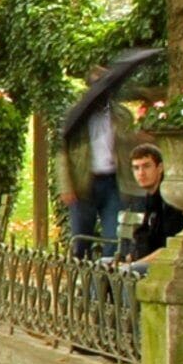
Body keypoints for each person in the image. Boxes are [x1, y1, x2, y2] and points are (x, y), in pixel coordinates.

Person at [65, 100, 128, 257]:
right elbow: (63, 151)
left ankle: (104, 280)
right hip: (84, 184)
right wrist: (66, 185)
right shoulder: (78, 115)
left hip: (112, 182)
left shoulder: (121, 115)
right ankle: (80, 276)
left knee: (114, 238)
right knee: (81, 239)